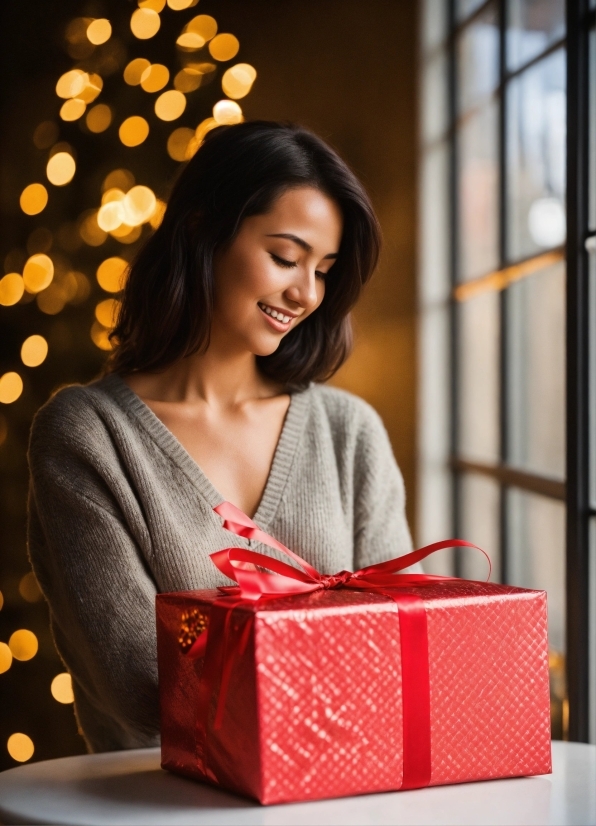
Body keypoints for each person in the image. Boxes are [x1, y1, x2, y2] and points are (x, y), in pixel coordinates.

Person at [27, 121, 415, 754]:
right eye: (286, 258)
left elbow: (400, 652)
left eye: (324, 269)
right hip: (167, 810)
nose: (306, 293)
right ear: (203, 228)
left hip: (347, 804)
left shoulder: (350, 432)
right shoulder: (87, 436)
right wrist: (343, 657)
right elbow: (145, 689)